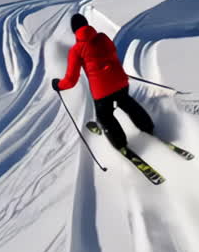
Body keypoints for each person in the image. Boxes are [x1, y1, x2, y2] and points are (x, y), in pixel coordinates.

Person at [51, 12, 155, 150]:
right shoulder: (103, 37)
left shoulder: (76, 51)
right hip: (121, 81)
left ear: (74, 30)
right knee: (126, 102)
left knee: (105, 117)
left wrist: (58, 85)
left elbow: (71, 80)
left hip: (102, 91)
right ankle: (147, 126)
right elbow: (112, 52)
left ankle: (120, 144)